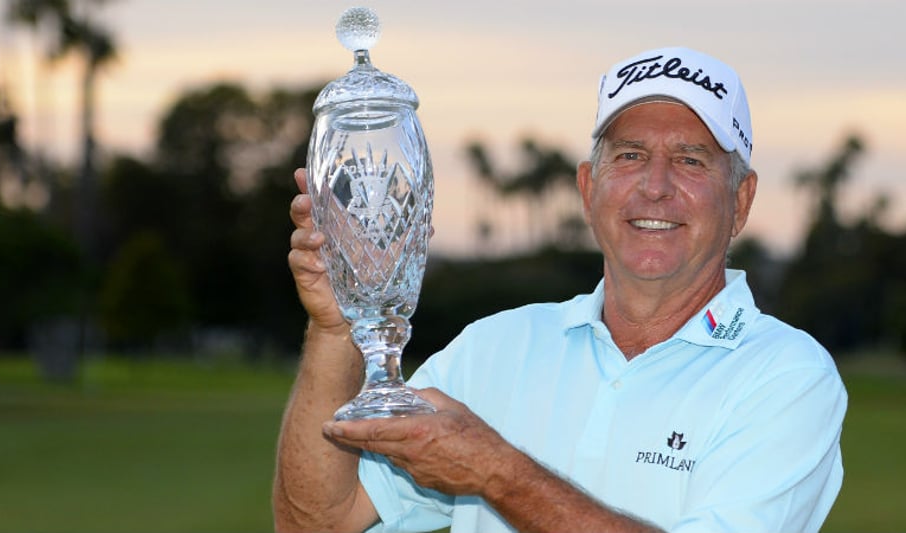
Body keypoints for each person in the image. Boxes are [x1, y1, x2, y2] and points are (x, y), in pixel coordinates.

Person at [274, 46, 847, 533]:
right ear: (589, 188)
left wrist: (495, 471)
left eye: (690, 160)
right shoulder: (493, 347)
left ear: (741, 201)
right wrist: (336, 327)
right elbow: (318, 522)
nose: (655, 186)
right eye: (630, 155)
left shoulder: (787, 375)